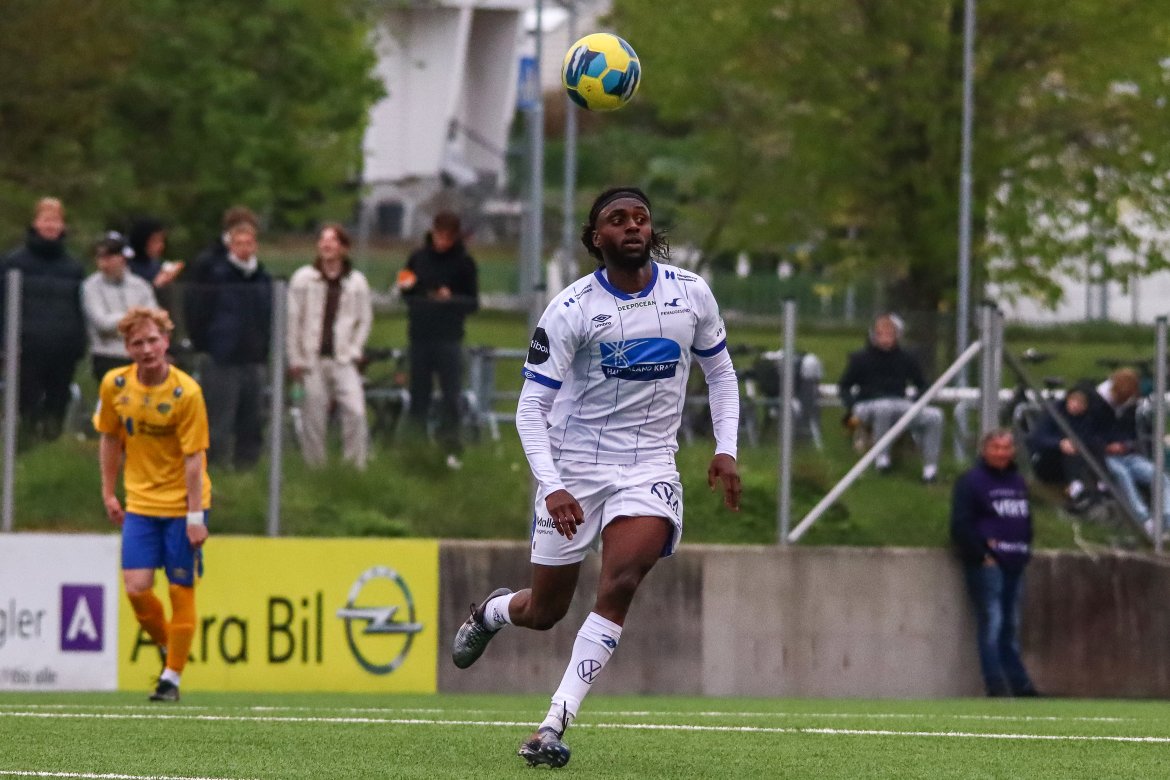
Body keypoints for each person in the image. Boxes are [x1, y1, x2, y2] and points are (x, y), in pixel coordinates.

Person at [451, 187, 742, 768]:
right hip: (575, 468)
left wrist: (725, 448)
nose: (632, 226)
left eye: (641, 218)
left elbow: (721, 373)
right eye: (617, 219)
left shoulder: (691, 294)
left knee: (621, 582)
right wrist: (553, 485)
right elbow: (529, 410)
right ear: (596, 237)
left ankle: (552, 724)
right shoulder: (571, 309)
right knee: (545, 612)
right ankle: (494, 612)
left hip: (650, 465)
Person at [93, 306, 211, 702]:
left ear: (166, 341)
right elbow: (110, 438)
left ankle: (171, 679)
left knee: (180, 588)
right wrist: (109, 493)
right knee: (137, 589)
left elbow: (194, 458)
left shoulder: (186, 392)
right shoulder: (115, 385)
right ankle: (167, 646)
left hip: (182, 504)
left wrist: (195, 517)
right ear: (127, 347)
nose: (146, 349)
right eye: (137, 343)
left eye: (152, 340)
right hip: (141, 503)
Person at [950, 428, 1040, 698]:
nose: (1001, 453)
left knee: (1010, 625)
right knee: (993, 623)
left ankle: (1019, 684)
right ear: (985, 450)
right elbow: (960, 524)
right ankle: (996, 684)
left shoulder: (1017, 481)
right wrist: (982, 555)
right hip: (989, 564)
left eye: (1006, 448)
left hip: (1016, 560)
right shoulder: (971, 481)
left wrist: (1025, 549)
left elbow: (1025, 519)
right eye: (996, 448)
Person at [186, 219, 272, 469]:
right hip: (222, 356)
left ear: (255, 246)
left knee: (252, 419)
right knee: (219, 418)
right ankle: (214, 468)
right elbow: (199, 312)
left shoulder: (262, 278)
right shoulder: (215, 276)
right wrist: (207, 343)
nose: (244, 248)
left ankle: (246, 467)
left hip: (254, 357)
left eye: (248, 243)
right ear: (230, 246)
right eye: (238, 243)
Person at [286, 223, 373, 469]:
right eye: (323, 240)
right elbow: (293, 321)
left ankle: (354, 466)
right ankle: (315, 468)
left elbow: (364, 320)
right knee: (313, 416)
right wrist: (295, 358)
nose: (327, 244)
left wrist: (355, 349)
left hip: (343, 359)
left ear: (344, 247)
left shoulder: (356, 282)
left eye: (333, 240)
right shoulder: (303, 279)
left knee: (356, 411)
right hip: (311, 359)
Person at [396, 211, 479, 469]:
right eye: (438, 235)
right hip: (419, 336)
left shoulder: (464, 263)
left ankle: (450, 448)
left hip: (448, 338)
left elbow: (472, 302)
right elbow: (405, 287)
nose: (441, 241)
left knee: (451, 397)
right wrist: (417, 292)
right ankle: (415, 449)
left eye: (447, 237)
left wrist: (450, 299)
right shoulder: (418, 258)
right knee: (418, 396)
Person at [0, 196, 87, 442]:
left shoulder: (74, 267)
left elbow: (80, 307)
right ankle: (25, 446)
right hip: (26, 346)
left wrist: (79, 342)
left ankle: (51, 446)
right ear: (35, 223)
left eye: (56, 220)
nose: (51, 225)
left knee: (58, 403)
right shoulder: (13, 262)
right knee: (27, 404)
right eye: (46, 220)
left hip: (63, 347)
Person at [837, 313, 944, 482]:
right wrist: (852, 406)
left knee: (935, 416)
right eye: (881, 333)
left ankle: (930, 469)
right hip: (867, 405)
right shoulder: (860, 358)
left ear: (897, 335)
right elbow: (844, 386)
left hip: (899, 403)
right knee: (884, 407)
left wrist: (915, 401)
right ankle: (882, 458)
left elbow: (923, 385)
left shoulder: (907, 358)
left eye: (890, 333)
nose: (885, 338)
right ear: (873, 335)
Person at [1095, 367, 1170, 534]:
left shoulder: (1131, 406)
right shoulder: (1099, 405)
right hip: (1106, 456)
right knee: (1122, 475)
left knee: (1160, 477)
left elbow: (1133, 434)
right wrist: (1106, 447)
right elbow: (1090, 435)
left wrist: (1126, 445)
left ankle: (1167, 518)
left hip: (1128, 454)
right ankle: (1144, 519)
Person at [81, 233, 159, 382]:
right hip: (107, 355)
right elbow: (102, 323)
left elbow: (153, 318)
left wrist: (130, 320)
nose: (103, 264)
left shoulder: (140, 286)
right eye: (100, 258)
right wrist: (135, 317)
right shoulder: (90, 286)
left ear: (122, 258)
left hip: (139, 354)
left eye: (109, 258)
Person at [1025, 383, 1107, 511]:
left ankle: (1100, 484)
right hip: (1046, 461)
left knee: (1094, 446)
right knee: (1070, 450)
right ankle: (1076, 489)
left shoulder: (1088, 419)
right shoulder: (1054, 412)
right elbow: (1037, 438)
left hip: (1075, 463)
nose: (1075, 405)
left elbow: (1093, 439)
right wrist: (1059, 443)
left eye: (1081, 403)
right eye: (1073, 400)